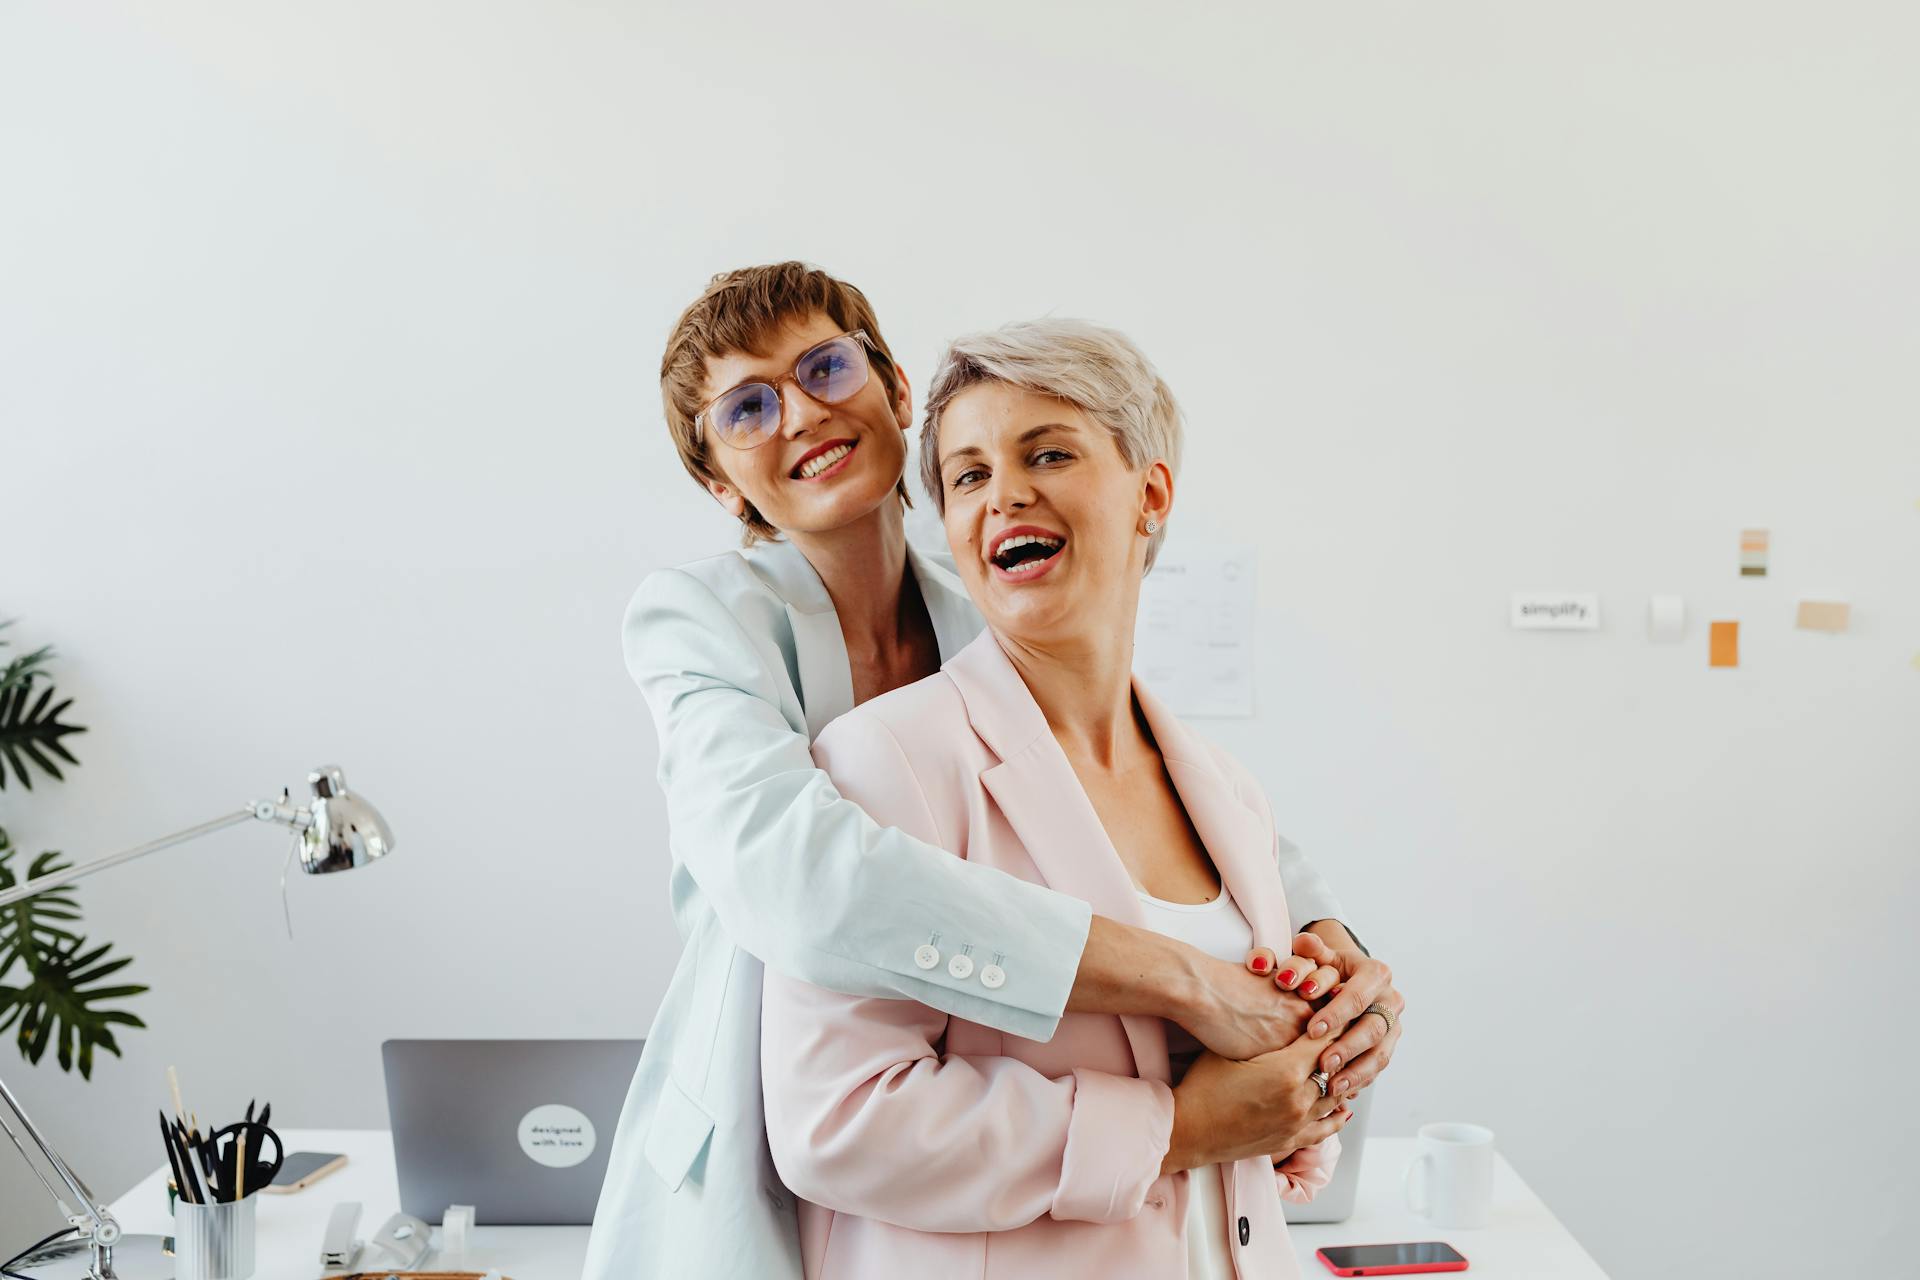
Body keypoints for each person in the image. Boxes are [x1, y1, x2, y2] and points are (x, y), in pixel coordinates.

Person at [583, 264, 1404, 1278]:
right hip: (774, 1110)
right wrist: (1183, 985)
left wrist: (1331, 951)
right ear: (720, 482)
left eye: (824, 366)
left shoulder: (995, 591)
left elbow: (1193, 811)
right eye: (748, 407)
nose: (799, 412)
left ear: (893, 391)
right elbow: (803, 883)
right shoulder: (704, 621)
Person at [758, 318, 1361, 1278]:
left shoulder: (1228, 794)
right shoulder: (891, 762)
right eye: (968, 475)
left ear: (1150, 494)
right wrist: (1171, 1131)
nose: (1006, 495)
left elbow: (1244, 1109)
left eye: (1048, 453)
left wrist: (1310, 1079)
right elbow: (837, 1123)